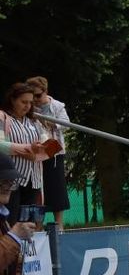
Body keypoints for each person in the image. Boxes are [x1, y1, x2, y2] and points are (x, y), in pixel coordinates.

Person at [26, 77, 69, 229]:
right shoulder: (28, 107)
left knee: (57, 188)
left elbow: (66, 123)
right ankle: (37, 227)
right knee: (38, 190)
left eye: (38, 95)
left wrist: (54, 124)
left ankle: (59, 227)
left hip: (54, 153)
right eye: (32, 96)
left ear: (46, 92)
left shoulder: (57, 106)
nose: (35, 99)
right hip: (37, 155)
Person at [0, 83, 43, 221]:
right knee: (11, 220)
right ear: (12, 100)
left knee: (30, 223)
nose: (27, 106)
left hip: (34, 179)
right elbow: (1, 145)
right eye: (23, 102)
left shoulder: (34, 121)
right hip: (12, 179)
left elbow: (48, 146)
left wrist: (37, 152)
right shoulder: (2, 117)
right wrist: (29, 149)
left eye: (30, 103)